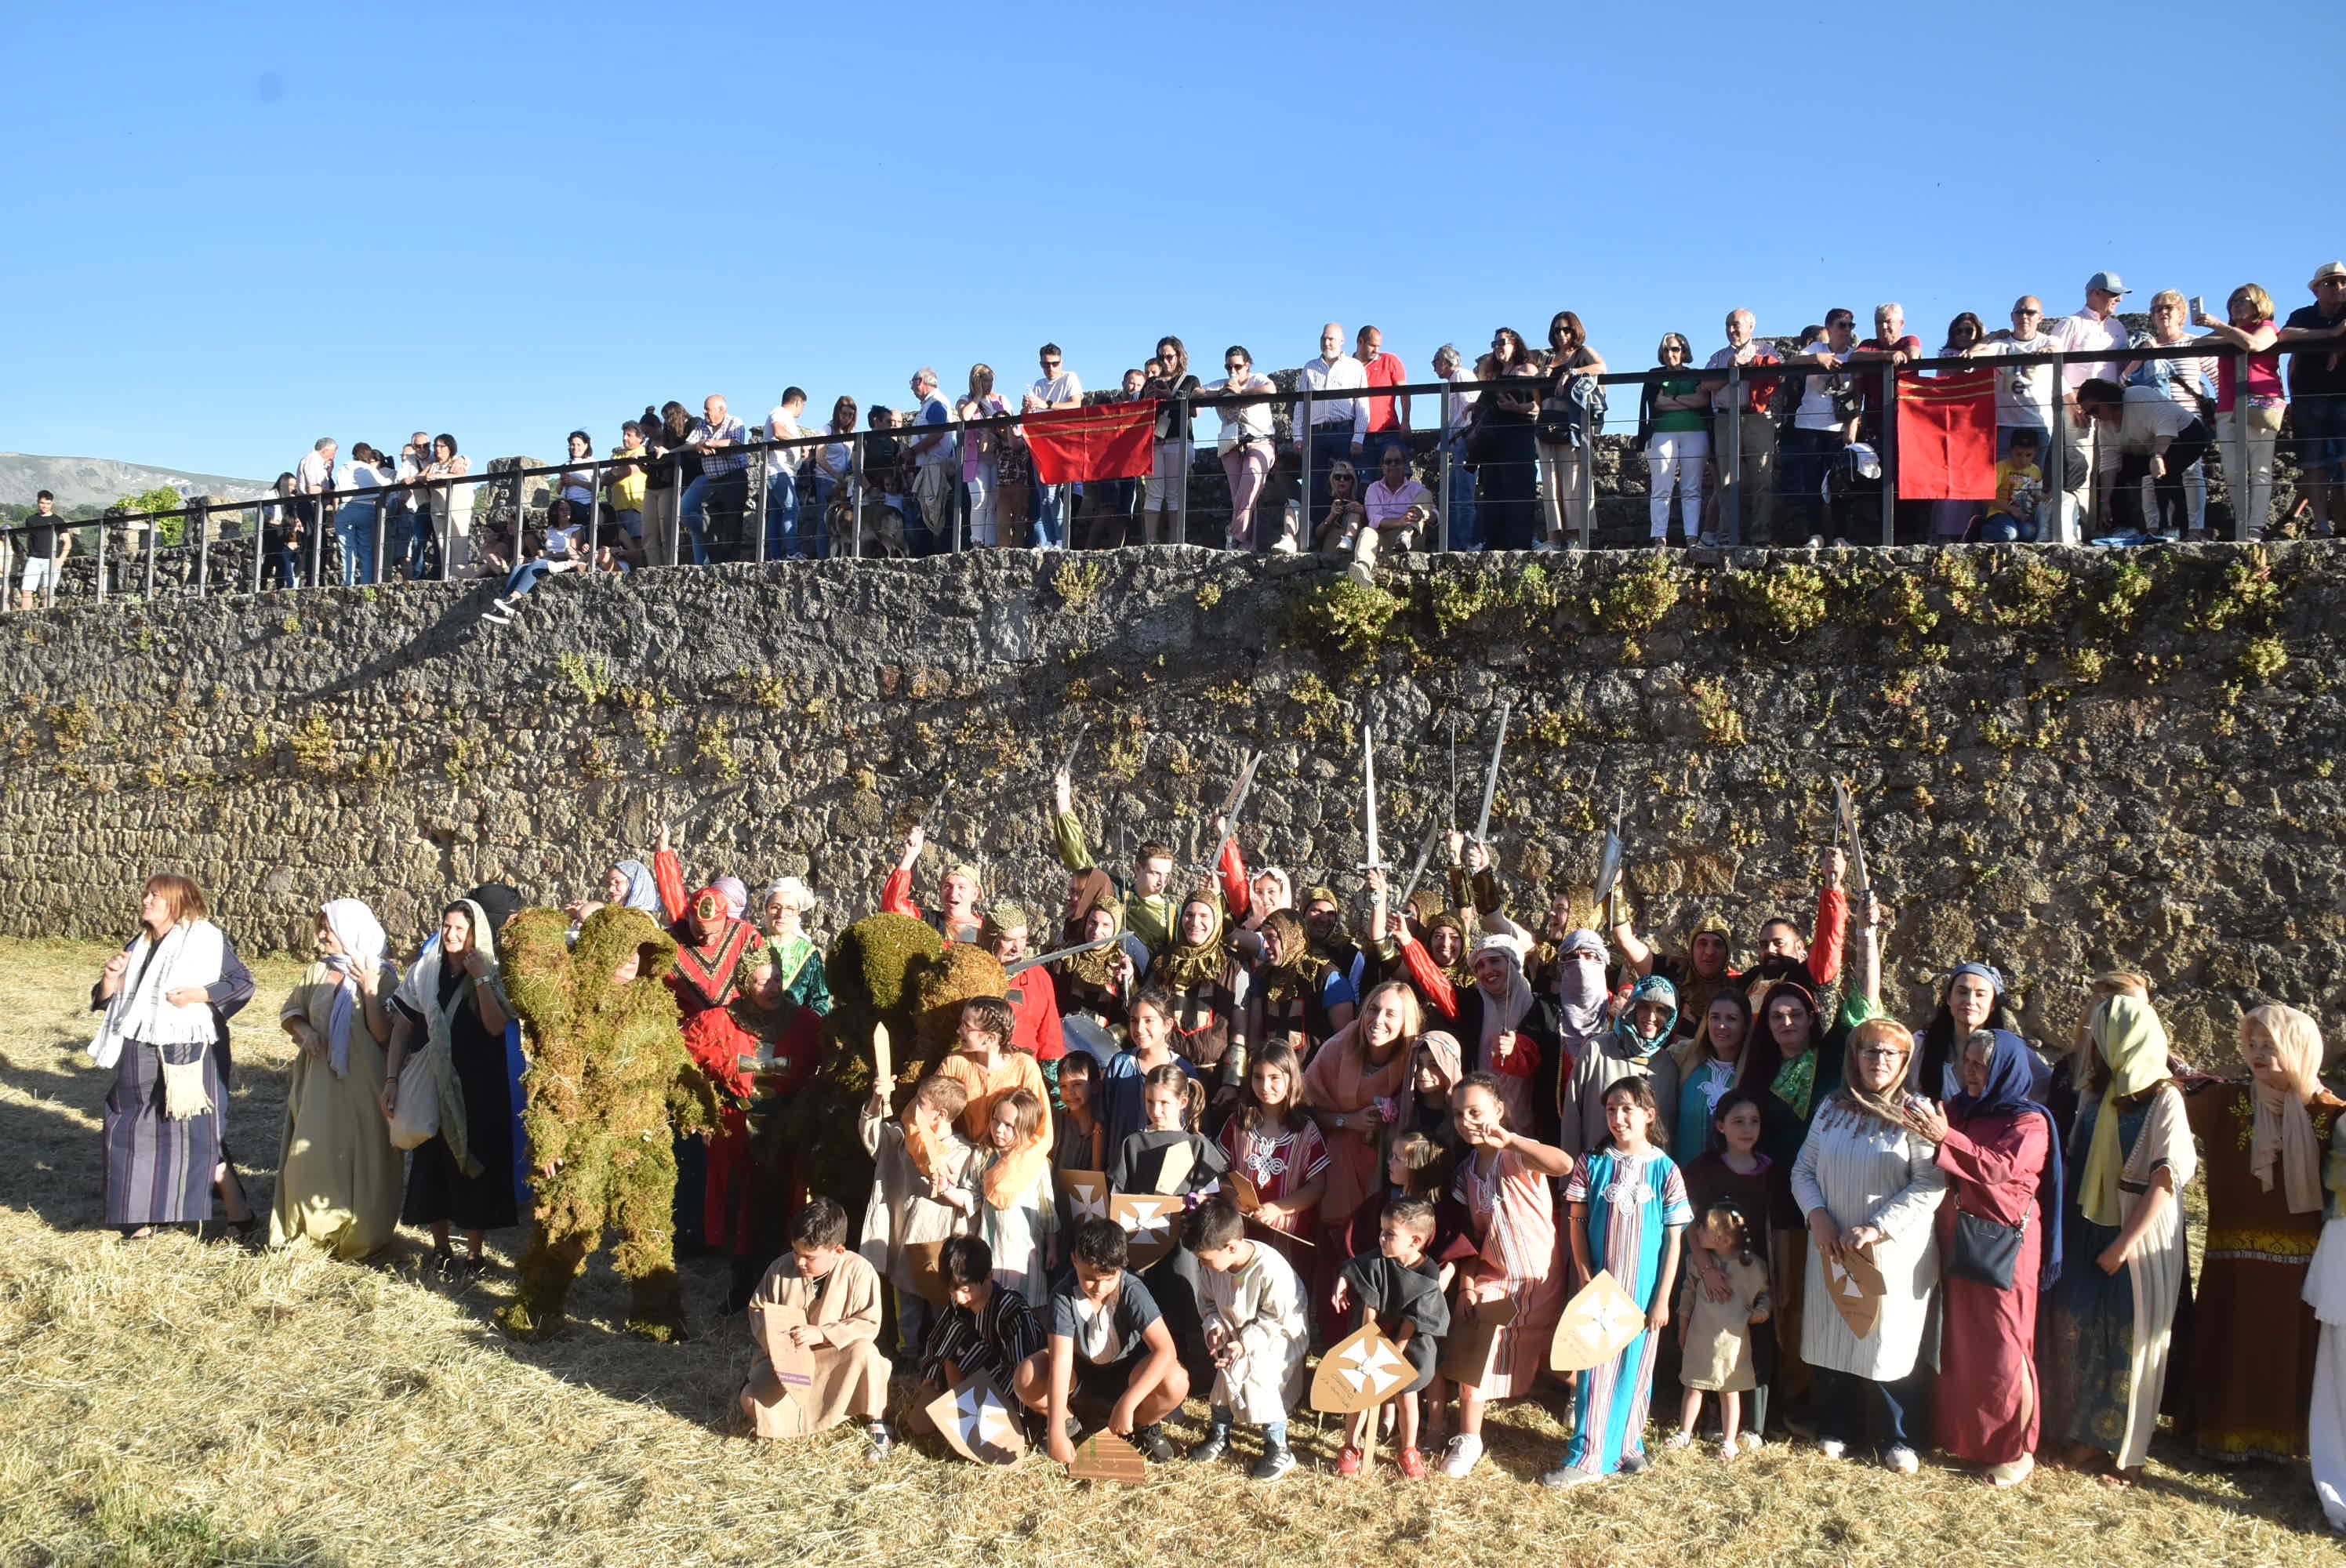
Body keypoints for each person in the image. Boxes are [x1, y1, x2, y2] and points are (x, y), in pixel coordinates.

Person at [495, 905, 711, 1341]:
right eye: (623, 949)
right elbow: (557, 1075)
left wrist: (697, 1107)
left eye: (640, 951)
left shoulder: (654, 1004)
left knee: (649, 1233)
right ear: (599, 949)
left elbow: (674, 1060)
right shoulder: (574, 1006)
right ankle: (538, 1309)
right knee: (568, 1227)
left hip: (645, 1138)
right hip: (588, 1138)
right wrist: (551, 1139)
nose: (632, 959)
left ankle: (657, 1316)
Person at [2042, 993, 2197, 1485]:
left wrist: (2125, 1245)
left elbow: (2166, 1178)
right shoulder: (2092, 1093)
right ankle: (2085, 1434)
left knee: (2134, 1338)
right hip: (2088, 1224)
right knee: (2083, 1327)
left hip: (2138, 1233)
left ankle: (2127, 1451)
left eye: (2110, 1031)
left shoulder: (2164, 1098)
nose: (2100, 1041)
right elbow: (2072, 1161)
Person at [1901, 1027, 2061, 1486]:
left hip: (2004, 1245)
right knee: (1964, 1343)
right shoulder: (1962, 1111)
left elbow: (1996, 1167)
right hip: (1960, 1237)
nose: (1970, 1073)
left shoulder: (2029, 1123)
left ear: (2007, 1069)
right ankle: (1969, 1439)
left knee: (2005, 1345)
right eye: (1966, 1063)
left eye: (1981, 1065)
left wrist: (1944, 1134)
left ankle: (2016, 1449)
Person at [2180, 1004, 2340, 1464]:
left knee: (2286, 1349)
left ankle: (2285, 1444)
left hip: (2301, 1264)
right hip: (2231, 1257)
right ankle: (2222, 1437)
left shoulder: (2330, 1115)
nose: (2258, 1053)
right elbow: (2163, 1101)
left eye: (2269, 1044)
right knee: (2232, 1343)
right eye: (2251, 1045)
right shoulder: (2226, 1101)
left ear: (2299, 1046)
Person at [1791, 1018, 1948, 1474]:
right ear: (1854, 1057)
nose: (1878, 1060)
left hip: (1891, 1251)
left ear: (1904, 1061)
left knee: (1887, 1339)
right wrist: (1818, 1218)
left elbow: (1929, 1184)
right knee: (1833, 1333)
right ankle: (1836, 1427)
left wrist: (1876, 1228)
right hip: (1832, 1244)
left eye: (1889, 1053)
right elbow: (1803, 1170)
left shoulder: (1916, 1112)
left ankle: (1898, 1436)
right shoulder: (1832, 1108)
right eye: (1869, 1051)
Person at [89, 873, 259, 1238]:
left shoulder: (206, 939)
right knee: (134, 1128)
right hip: (139, 1046)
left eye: (156, 896)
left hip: (190, 1048)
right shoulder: (141, 942)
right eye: (147, 894)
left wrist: (199, 994)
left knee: (194, 1131)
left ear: (178, 902)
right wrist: (111, 979)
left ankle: (237, 1210)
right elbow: (109, 998)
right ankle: (146, 1218)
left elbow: (242, 982)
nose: (146, 901)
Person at [1544, 1076, 1691, 1487]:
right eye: (1611, 1109)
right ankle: (1586, 1456)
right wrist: (1585, 1271)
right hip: (1601, 1289)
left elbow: (1674, 1240)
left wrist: (1662, 1298)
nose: (1618, 1117)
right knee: (1596, 1368)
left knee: (1637, 1368)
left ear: (1649, 1114)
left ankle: (1628, 1445)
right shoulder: (1592, 1163)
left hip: (1644, 1292)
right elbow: (1576, 1221)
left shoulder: (1665, 1169)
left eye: (1627, 1108)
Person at [1436, 1072, 1575, 1477]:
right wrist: (1466, 1281)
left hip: (1541, 1274)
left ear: (1498, 1110)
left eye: (1476, 1112)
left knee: (1551, 1350)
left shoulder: (1517, 1152)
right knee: (1474, 1349)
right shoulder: (1465, 1172)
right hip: (1494, 1271)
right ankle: (1470, 1438)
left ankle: (1582, 1397)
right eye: (1459, 1114)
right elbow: (1469, 1236)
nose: (1468, 1122)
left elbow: (1563, 1164)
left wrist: (1511, 1139)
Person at [270, 900, 399, 1261]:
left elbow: (384, 1034)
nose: (323, 935)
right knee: (309, 1154)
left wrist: (370, 990)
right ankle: (310, 1231)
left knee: (362, 1153)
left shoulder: (383, 973)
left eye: (329, 928)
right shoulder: (316, 972)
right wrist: (305, 1030)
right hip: (318, 1081)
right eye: (322, 928)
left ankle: (358, 1234)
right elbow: (292, 1011)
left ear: (351, 929)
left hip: (366, 1081)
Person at [1015, 1216, 1191, 1465]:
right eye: (1090, 1278)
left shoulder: (1132, 1290)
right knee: (1027, 1376)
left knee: (1176, 1379)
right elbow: (1061, 1360)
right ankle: (1070, 1425)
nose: (1099, 1287)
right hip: (1081, 1380)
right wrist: (1055, 1429)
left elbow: (1165, 1350)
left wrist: (1129, 1403)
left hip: (1127, 1379)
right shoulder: (1063, 1296)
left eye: (1109, 1278)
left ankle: (1141, 1425)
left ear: (1121, 1267)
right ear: (1074, 1259)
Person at [1680, 1095, 1798, 1438]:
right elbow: (1689, 1221)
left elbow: (1781, 1228)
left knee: (1754, 1339)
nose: (1748, 1129)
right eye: (1738, 1121)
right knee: (1714, 1339)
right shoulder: (1704, 1169)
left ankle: (1751, 1426)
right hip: (1714, 1274)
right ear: (1720, 1126)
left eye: (1754, 1121)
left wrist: (1780, 1281)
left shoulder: (1771, 1171)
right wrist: (1706, 1268)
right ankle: (1712, 1419)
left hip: (1754, 1271)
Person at [739, 1197, 893, 1454]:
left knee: (866, 1353)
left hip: (834, 1362)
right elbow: (758, 1310)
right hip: (788, 1366)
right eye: (795, 1252)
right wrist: (778, 1342)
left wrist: (822, 1333)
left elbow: (867, 1323)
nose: (800, 1262)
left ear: (838, 1252)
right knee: (749, 1402)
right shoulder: (779, 1268)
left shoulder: (860, 1271)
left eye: (809, 1257)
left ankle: (877, 1423)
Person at [1184, 1194, 1308, 1481]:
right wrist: (1214, 1327)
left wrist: (1245, 1342)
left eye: (1205, 1258)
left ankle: (1278, 1446)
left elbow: (1276, 1317)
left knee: (1256, 1375)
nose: (1202, 1264)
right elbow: (1210, 1304)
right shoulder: (1212, 1268)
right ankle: (1220, 1434)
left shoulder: (1271, 1269)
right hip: (1236, 1333)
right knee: (1224, 1377)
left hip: (1278, 1337)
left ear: (1231, 1246)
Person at [857, 1072, 979, 1360]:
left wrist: (948, 1188)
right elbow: (873, 1136)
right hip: (904, 1239)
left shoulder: (964, 1154)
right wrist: (876, 1100)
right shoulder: (903, 1140)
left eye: (920, 1102)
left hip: (936, 1243)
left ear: (941, 1114)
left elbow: (973, 1199)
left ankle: (940, 1359)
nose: (912, 1106)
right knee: (906, 1304)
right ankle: (907, 1354)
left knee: (941, 1306)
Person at [1304, 981, 1420, 1272]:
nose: (1378, 1021)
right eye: (1373, 1009)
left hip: (1387, 1171)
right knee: (1336, 1256)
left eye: (1391, 1014)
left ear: (1407, 1021)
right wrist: (1347, 1120)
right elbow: (1304, 1108)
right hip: (1338, 1164)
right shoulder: (1337, 1048)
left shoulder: (1416, 1059)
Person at [1331, 1195, 1450, 1478]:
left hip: (1410, 1340)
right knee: (1360, 1391)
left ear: (1415, 1241)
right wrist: (1371, 1342)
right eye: (1381, 1231)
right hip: (1375, 1334)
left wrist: (1394, 1351)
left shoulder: (1428, 1271)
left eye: (1389, 1234)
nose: (1381, 1238)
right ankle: (1350, 1446)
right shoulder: (1379, 1258)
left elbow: (1416, 1316)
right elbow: (1367, 1289)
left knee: (1405, 1394)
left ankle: (1409, 1449)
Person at [912, 1234, 1045, 1441]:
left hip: (1014, 1382)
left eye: (966, 1290)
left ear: (988, 1277)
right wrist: (933, 1371)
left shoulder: (1010, 1309)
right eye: (952, 1290)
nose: (958, 1297)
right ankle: (961, 1414)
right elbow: (938, 1340)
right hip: (977, 1378)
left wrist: (1000, 1412)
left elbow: (1021, 1367)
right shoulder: (959, 1303)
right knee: (952, 1347)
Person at [1670, 1200, 1771, 1461]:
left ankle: (1729, 1440)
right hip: (1700, 1337)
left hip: (1732, 1343)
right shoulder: (1696, 1263)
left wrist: (1761, 1313)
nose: (1698, 1231)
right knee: (1692, 1386)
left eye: (1703, 1228)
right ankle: (1684, 1432)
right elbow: (1687, 1296)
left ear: (1723, 1238)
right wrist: (1682, 1329)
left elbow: (1767, 1296)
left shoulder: (1752, 1267)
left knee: (1729, 1390)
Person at [1216, 1041, 1326, 1269]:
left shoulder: (1306, 1130)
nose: (1265, 1086)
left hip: (1287, 1235)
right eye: (1258, 1077)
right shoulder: (1238, 1124)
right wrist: (1231, 1198)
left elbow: (1317, 1186)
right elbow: (1220, 1174)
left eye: (1275, 1077)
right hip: (1241, 1235)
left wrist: (1278, 1207)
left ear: (1291, 1078)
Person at [2046, 272, 2136, 541]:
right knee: (2080, 468)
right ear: (2095, 293)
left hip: (2111, 408)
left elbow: (2122, 369)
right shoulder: (2070, 324)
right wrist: (2072, 403)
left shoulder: (2118, 328)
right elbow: (2053, 364)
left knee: (2110, 466)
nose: (2117, 299)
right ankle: (2080, 529)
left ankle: (2103, 526)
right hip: (2078, 406)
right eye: (2112, 294)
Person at [2194, 285, 2288, 541]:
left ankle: (2255, 527)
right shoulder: (2231, 333)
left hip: (2260, 404)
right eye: (2233, 301)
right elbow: (2198, 343)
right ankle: (2243, 522)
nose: (2236, 305)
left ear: (2259, 304)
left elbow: (2254, 345)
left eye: (2243, 300)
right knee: (2231, 470)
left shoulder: (2268, 327)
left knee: (2259, 468)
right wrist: (2228, 333)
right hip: (2227, 406)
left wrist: (2219, 327)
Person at [2128, 292, 2219, 538]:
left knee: (2191, 473)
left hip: (2188, 418)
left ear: (2181, 313)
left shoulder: (2193, 344)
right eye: (2157, 308)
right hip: (2152, 420)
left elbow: (2218, 378)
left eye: (2169, 307)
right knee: (2150, 476)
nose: (2163, 312)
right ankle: (2155, 528)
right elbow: (2125, 379)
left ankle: (2194, 528)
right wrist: (2143, 355)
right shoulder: (2144, 346)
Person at [2075, 376, 2211, 538]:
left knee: (2167, 474)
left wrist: (2158, 456)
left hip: (2186, 435)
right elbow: (2109, 463)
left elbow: (2166, 425)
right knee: (2119, 474)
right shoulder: (2105, 426)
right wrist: (2105, 502)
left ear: (2107, 399)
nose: (2092, 416)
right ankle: (2123, 527)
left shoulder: (2140, 396)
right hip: (2151, 447)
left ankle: (2178, 529)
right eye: (2088, 413)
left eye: (2094, 410)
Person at [1700, 309, 1780, 547]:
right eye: (1727, 326)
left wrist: (1750, 366)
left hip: (1756, 418)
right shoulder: (1718, 356)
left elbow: (1778, 376)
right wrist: (1732, 370)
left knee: (1761, 477)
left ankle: (1759, 536)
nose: (1731, 330)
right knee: (1725, 480)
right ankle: (1727, 536)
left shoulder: (1766, 351)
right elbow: (1705, 384)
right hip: (1725, 419)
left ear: (1751, 326)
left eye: (1736, 325)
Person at [1781, 311, 1861, 545]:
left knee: (1841, 483)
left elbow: (1857, 393)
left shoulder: (1853, 356)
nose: (1847, 329)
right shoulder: (1816, 347)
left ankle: (1840, 536)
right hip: (1809, 424)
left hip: (1838, 427)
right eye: (1842, 325)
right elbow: (1792, 363)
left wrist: (1852, 425)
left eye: (1850, 325)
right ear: (1829, 327)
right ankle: (1815, 535)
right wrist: (1818, 359)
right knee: (1811, 482)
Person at [971, 1086, 1057, 1302]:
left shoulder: (1036, 1163)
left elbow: (1047, 1209)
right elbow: (972, 1196)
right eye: (995, 1120)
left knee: (1026, 1304)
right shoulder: (983, 1156)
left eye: (1009, 1125)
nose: (999, 1129)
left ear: (1025, 1128)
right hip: (991, 1245)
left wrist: (1052, 1247)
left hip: (1026, 1249)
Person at [2279, 261, 2346, 538]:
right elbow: (2286, 334)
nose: (2339, 288)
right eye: (2331, 283)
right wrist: (2331, 335)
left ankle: (2342, 525)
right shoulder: (2303, 314)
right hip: (2309, 399)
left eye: (2343, 282)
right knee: (2313, 465)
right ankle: (2320, 526)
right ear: (2317, 290)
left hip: (2343, 397)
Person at [1537, 310, 1607, 547]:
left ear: (1575, 330)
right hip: (1546, 421)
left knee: (1574, 477)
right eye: (1557, 330)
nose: (1562, 334)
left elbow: (1602, 367)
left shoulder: (1581, 353)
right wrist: (1541, 376)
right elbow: (1537, 396)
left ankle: (1576, 536)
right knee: (1550, 479)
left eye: (1567, 329)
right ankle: (1554, 537)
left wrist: (1572, 372)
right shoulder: (1547, 358)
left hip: (1572, 423)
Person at [1203, 346, 1279, 551]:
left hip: (1259, 441)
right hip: (1231, 445)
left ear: (1247, 365)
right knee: (1240, 496)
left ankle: (1235, 534)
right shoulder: (1222, 384)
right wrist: (1220, 393)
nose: (1233, 371)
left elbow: (1270, 389)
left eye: (1237, 366)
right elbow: (1196, 392)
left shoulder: (1257, 379)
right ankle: (1247, 545)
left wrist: (1241, 392)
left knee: (1250, 483)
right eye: (1228, 367)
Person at [1294, 322, 1368, 525]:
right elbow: (1301, 404)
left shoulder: (1354, 367)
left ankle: (1346, 533)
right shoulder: (1310, 367)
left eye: (1331, 338)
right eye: (1323, 338)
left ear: (1342, 341)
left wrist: (1359, 436)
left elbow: (1362, 404)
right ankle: (1317, 535)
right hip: (1316, 433)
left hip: (1344, 430)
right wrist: (1298, 437)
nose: (1326, 342)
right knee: (1315, 485)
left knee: (1346, 484)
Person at [1669, 989, 1753, 1164]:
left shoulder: (1756, 1073)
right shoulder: (1682, 1059)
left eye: (1731, 1019)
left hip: (1733, 1184)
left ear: (1745, 1025)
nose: (1721, 1026)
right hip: (1681, 1181)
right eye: (1715, 1017)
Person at [1641, 334, 1710, 548]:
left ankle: (1691, 536)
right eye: (1666, 350)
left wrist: (1671, 400)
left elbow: (1702, 400)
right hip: (1662, 432)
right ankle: (1659, 536)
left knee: (1692, 487)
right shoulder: (1654, 375)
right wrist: (1688, 402)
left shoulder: (1697, 375)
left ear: (1685, 351)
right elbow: (1656, 403)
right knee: (1662, 485)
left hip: (1695, 432)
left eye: (1675, 349)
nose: (1671, 354)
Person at [1976, 295, 2060, 460]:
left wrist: (2046, 352)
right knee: (2001, 480)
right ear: (2012, 316)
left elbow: (2056, 349)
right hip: (2005, 423)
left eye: (2030, 312)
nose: (2024, 317)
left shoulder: (2048, 341)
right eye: (2019, 312)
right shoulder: (2001, 344)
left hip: (2037, 422)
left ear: (2040, 318)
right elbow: (1972, 356)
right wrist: (1992, 336)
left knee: (2035, 478)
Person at [1135, 336, 1199, 546]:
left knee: (1174, 493)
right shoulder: (1151, 382)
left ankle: (1175, 541)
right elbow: (1140, 412)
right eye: (1161, 357)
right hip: (1155, 440)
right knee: (1153, 493)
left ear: (1179, 356)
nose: (1165, 361)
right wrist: (1150, 397)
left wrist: (1169, 397)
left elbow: (1196, 410)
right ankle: (1151, 541)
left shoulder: (1190, 381)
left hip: (1178, 439)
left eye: (1169, 356)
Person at [979, 907, 1066, 1064]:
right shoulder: (970, 970)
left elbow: (1050, 1036)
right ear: (991, 939)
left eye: (1022, 938)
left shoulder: (1038, 977)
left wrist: (1052, 1081)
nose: (1017, 948)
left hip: (1022, 1073)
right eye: (1008, 939)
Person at [1022, 344, 1084, 550]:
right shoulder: (1038, 384)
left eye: (1054, 364)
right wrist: (1027, 407)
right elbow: (1029, 417)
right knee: (1043, 497)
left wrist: (1046, 403)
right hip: (1040, 444)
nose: (1050, 368)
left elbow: (1075, 405)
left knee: (1052, 495)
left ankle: (1059, 539)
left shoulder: (1069, 378)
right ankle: (1051, 540)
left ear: (1061, 362)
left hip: (1060, 445)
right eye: (1046, 364)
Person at [879, 823, 982, 944]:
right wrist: (910, 856)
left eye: (962, 887)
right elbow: (894, 908)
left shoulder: (988, 931)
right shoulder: (927, 922)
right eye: (947, 886)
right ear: (940, 890)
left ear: (975, 894)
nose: (953, 893)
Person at [1353, 445, 1438, 583]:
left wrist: (1424, 515)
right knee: (1368, 531)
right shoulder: (1373, 489)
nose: (1392, 465)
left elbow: (1436, 515)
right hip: (1384, 538)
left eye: (1397, 461)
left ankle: (1408, 533)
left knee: (1425, 495)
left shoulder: (1417, 488)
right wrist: (1400, 521)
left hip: (1413, 539)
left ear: (1404, 465)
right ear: (1382, 466)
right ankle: (1362, 569)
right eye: (1388, 462)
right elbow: (1374, 519)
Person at [902, 368, 958, 555]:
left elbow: (938, 433)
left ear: (920, 382)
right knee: (929, 513)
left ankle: (931, 555)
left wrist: (913, 451)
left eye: (912, 383)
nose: (911, 388)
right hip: (929, 466)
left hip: (934, 468)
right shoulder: (930, 404)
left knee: (933, 513)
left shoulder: (935, 403)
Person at [754, 877, 830, 1014]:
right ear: (765, 908)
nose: (782, 915)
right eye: (775, 907)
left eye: (790, 909)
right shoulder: (750, 941)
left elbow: (820, 1001)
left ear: (798, 913)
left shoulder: (808, 954)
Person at [957, 366, 1013, 550]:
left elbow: (1011, 424)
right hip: (976, 458)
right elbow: (964, 416)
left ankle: (991, 542)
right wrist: (978, 396)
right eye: (984, 380)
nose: (988, 384)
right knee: (979, 498)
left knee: (994, 501)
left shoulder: (1001, 400)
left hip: (998, 457)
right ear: (975, 381)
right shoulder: (965, 400)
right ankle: (977, 541)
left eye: (990, 380)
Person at [1432, 343, 1480, 550]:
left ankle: (1466, 543)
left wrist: (1451, 438)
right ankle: (1454, 543)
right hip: (1459, 441)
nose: (1434, 368)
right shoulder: (1455, 378)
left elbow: (1468, 412)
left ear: (1445, 361)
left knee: (1463, 496)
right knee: (1452, 496)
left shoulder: (1460, 376)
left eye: (1435, 363)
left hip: (1465, 440)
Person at [332, 441, 390, 585]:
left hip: (347, 507)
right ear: (369, 456)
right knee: (366, 549)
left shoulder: (344, 468)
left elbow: (337, 491)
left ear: (354, 454)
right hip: (367, 508)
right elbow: (385, 484)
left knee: (347, 549)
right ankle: (366, 582)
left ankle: (348, 582)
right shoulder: (369, 469)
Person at [1979, 427, 2050, 543]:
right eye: (2019, 454)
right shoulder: (2001, 467)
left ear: (2035, 453)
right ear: (2011, 451)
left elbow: (2036, 493)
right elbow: (1986, 496)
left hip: (2023, 515)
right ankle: (1982, 529)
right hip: (2000, 512)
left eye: (2028, 455)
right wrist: (2011, 509)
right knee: (2009, 535)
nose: (2023, 460)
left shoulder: (2035, 470)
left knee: (2029, 533)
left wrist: (2047, 497)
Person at [762, 387, 809, 559]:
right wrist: (802, 443)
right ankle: (791, 552)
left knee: (776, 513)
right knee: (791, 509)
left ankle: (775, 555)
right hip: (779, 470)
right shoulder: (780, 412)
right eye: (803, 406)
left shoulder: (783, 415)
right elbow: (778, 431)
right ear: (798, 402)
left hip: (779, 470)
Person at [603, 422, 650, 560]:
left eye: (629, 435)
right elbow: (605, 478)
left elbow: (630, 470)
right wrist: (623, 468)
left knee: (637, 542)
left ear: (640, 438)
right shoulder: (617, 456)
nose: (624, 438)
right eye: (624, 434)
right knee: (618, 544)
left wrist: (617, 472)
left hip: (636, 506)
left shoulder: (644, 452)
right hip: (617, 507)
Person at [17, 490, 70, 609]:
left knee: (48, 591)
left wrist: (61, 559)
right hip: (34, 558)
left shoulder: (58, 520)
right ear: (38, 502)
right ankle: (25, 618)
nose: (45, 506)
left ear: (52, 504)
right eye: (42, 503)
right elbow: (30, 538)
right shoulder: (31, 520)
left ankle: (48, 616)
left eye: (47, 503)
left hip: (51, 559)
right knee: (26, 590)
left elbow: (68, 542)